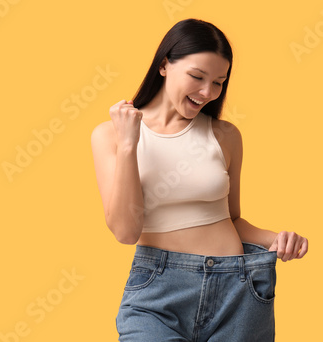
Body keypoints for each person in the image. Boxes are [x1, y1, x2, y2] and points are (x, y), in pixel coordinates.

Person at [91, 18, 309, 342]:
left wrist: (277, 239)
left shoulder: (225, 136)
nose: (207, 92)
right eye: (197, 76)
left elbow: (232, 219)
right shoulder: (111, 135)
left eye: (219, 82)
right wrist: (128, 145)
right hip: (158, 295)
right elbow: (125, 231)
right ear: (164, 65)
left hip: (238, 292)